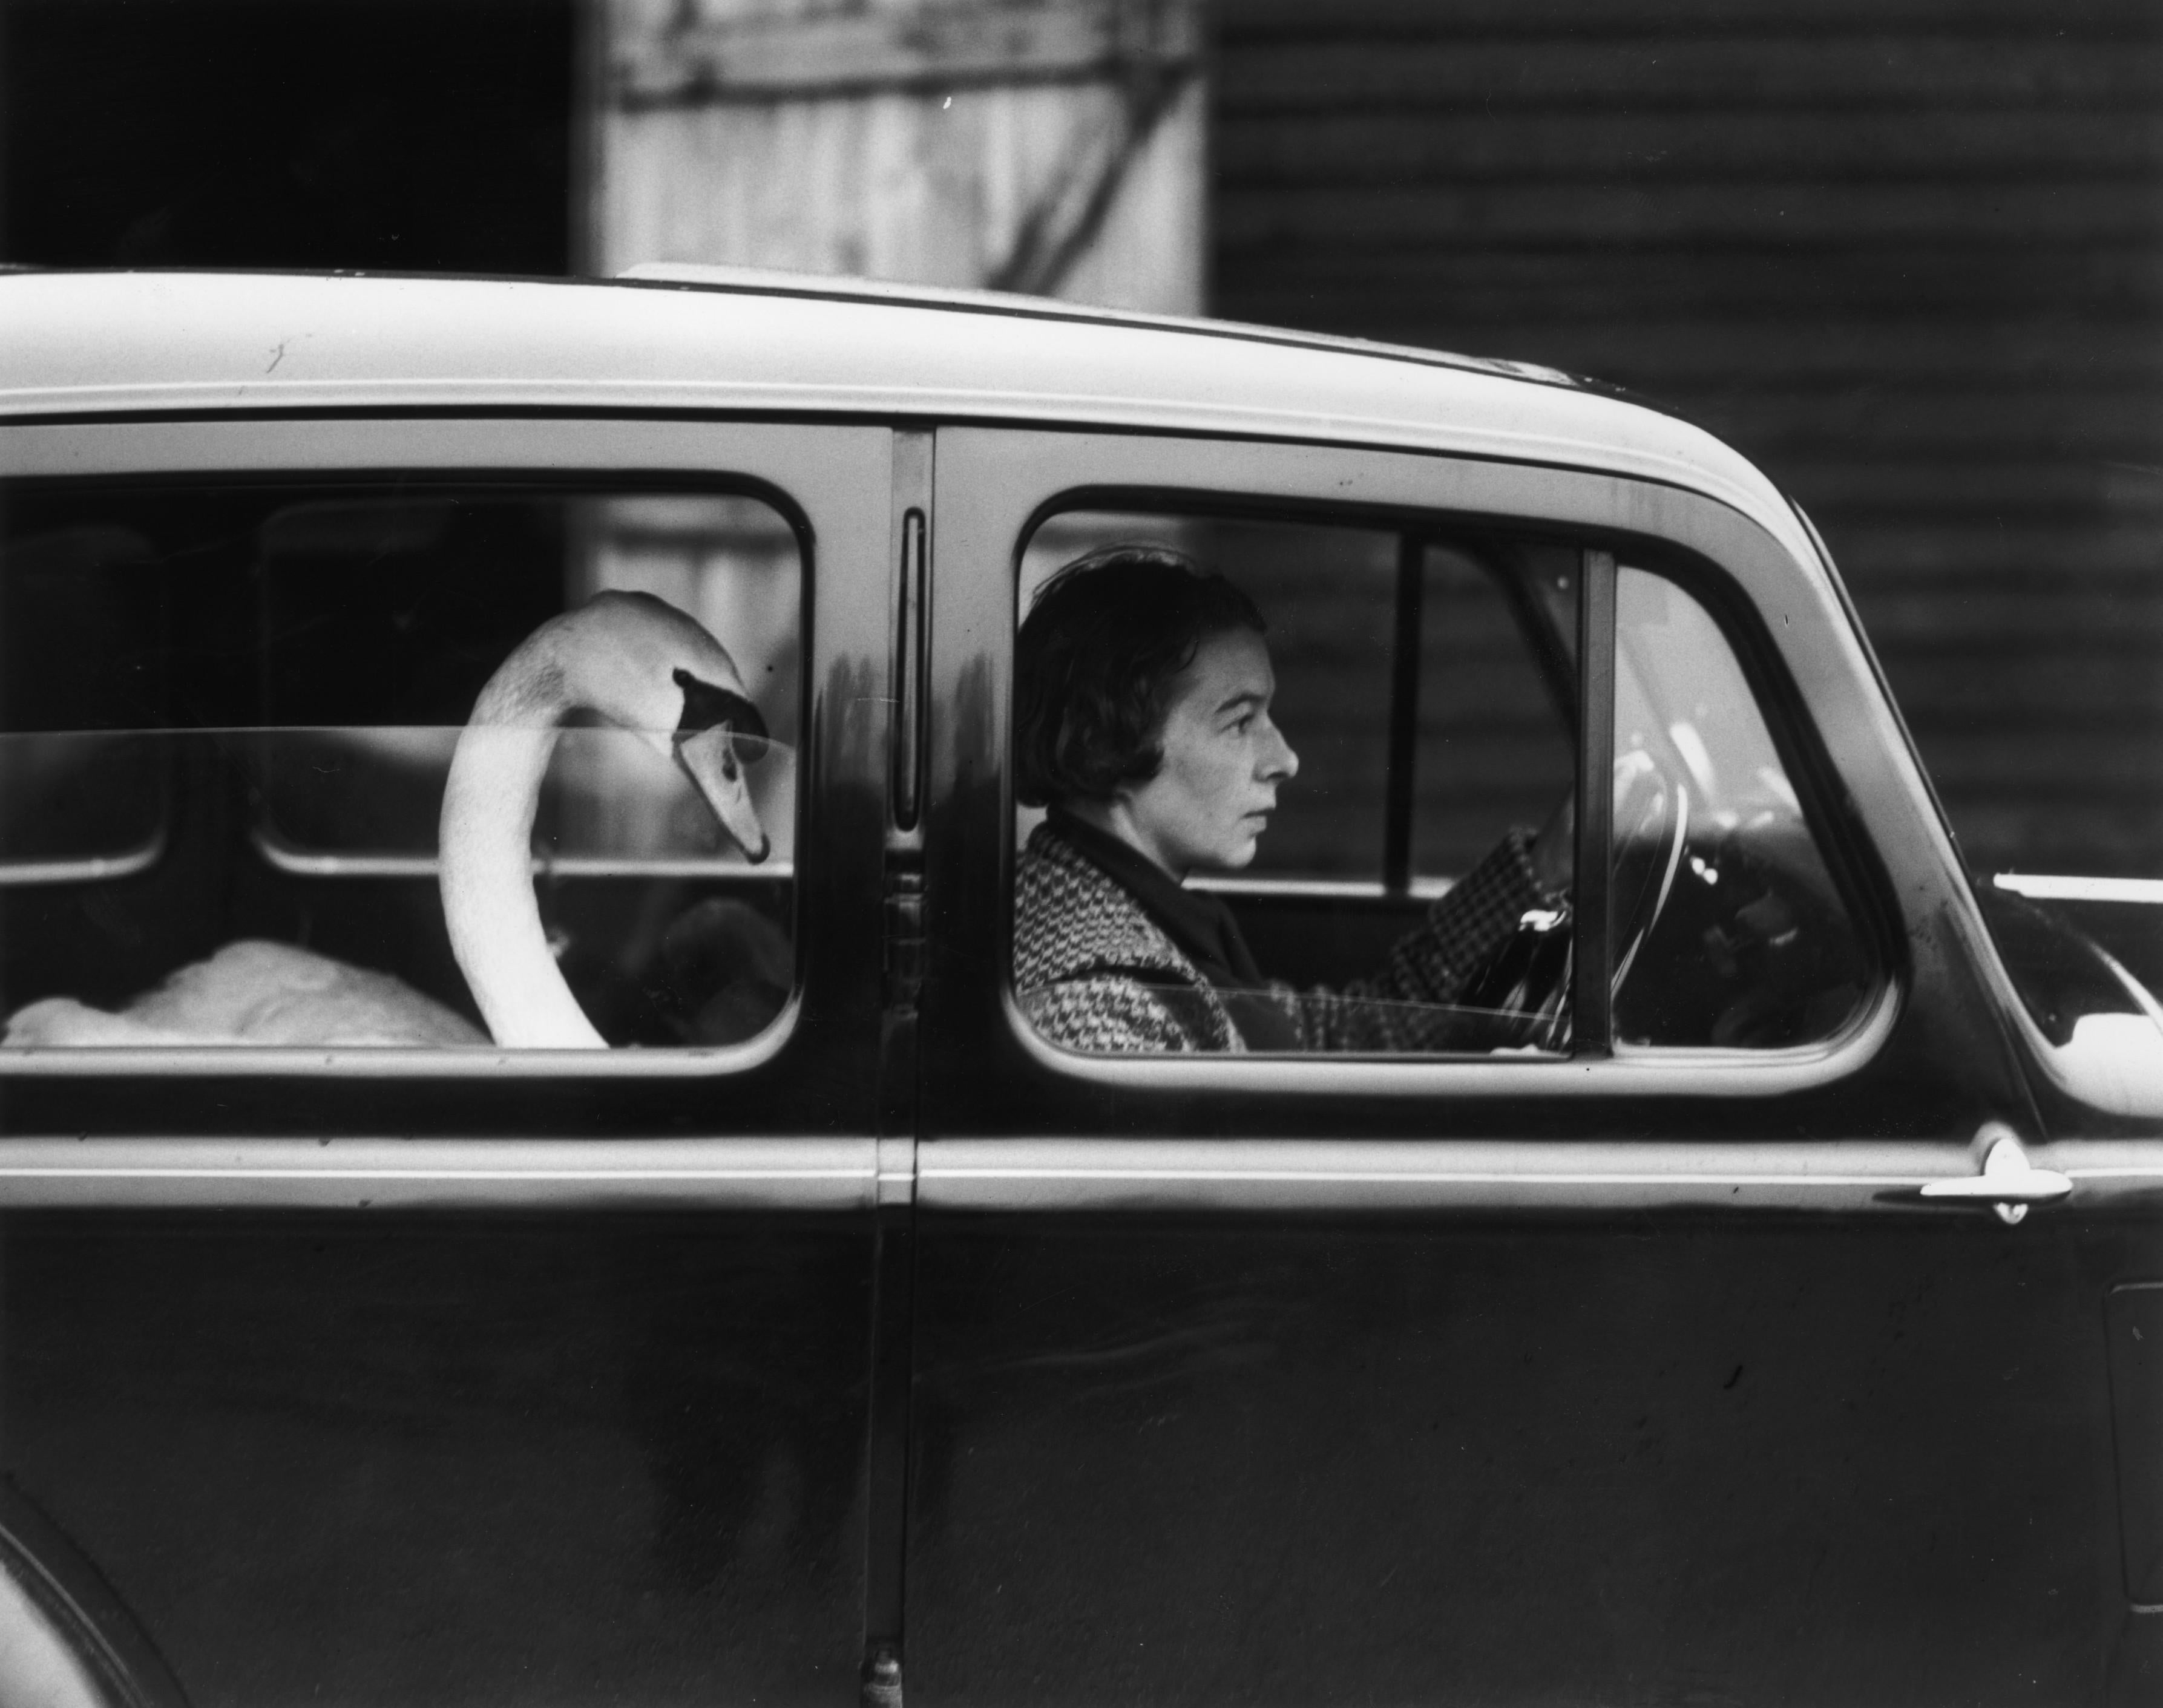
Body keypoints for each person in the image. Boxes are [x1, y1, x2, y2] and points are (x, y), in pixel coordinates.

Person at [1013, 545, 1574, 1053]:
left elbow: (1330, 1041)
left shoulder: (1154, 926)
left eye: (1269, 715)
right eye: (1239, 722)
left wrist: (1545, 866)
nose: (1285, 760)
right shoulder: (1094, 1003)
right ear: (1105, 740)